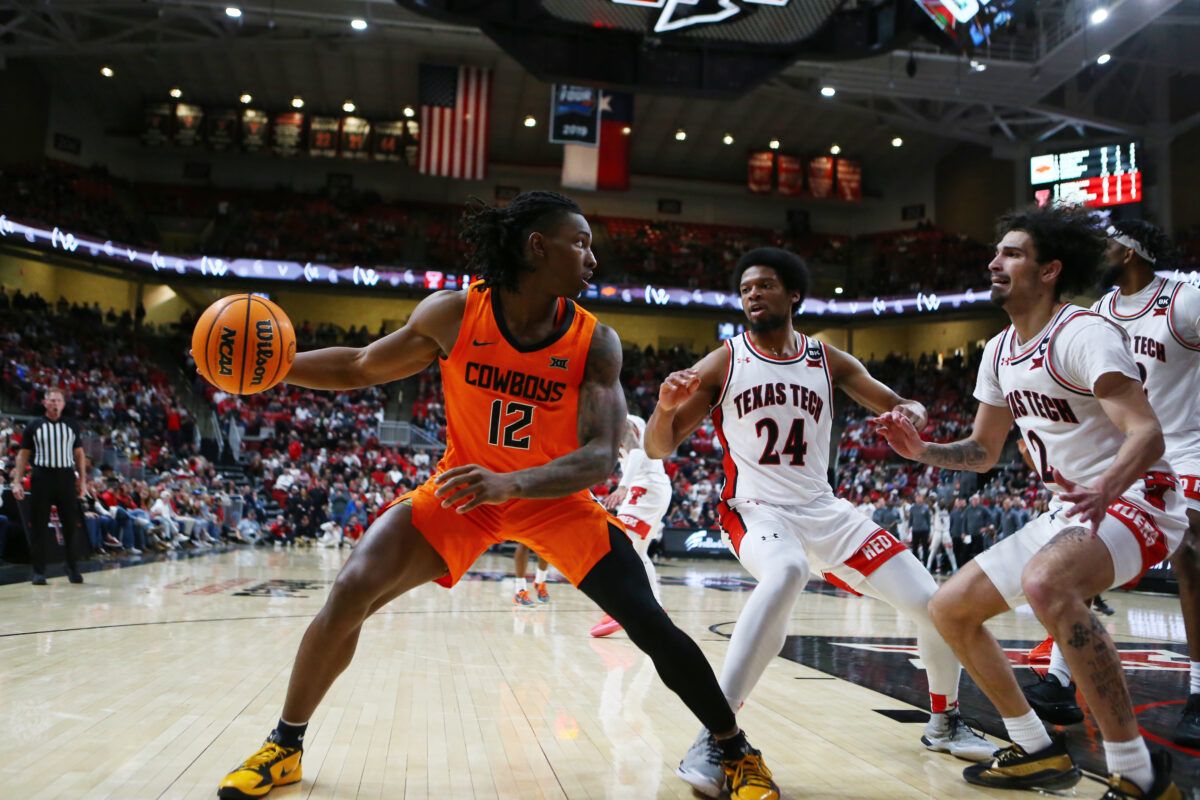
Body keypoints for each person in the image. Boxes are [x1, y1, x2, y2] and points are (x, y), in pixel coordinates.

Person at [217, 192, 779, 800]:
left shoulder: (596, 342)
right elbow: (358, 365)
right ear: (538, 246)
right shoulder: (455, 314)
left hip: (554, 500)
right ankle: (284, 746)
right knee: (353, 587)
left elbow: (598, 455)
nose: (593, 258)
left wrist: (510, 482)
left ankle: (735, 752)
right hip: (464, 489)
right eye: (581, 243)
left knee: (647, 621)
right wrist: (275, 366)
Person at [644, 247, 992, 799]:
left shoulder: (826, 359)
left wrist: (910, 416)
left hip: (825, 510)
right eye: (745, 289)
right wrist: (665, 409)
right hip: (755, 509)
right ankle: (716, 736)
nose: (752, 294)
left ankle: (944, 723)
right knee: (784, 573)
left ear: (794, 295)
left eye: (764, 285)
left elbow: (906, 404)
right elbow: (658, 446)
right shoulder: (725, 360)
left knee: (937, 606)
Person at [874, 204, 1188, 798]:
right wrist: (923, 451)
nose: (995, 262)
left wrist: (1103, 488)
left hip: (1139, 499)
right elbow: (984, 451)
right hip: (1070, 511)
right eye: (996, 253)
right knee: (950, 609)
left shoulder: (1083, 332)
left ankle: (1142, 774)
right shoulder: (998, 351)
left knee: (1047, 584)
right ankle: (1038, 748)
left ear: (1050, 271)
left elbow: (1147, 434)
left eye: (1012, 253)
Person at [1022, 219, 1200, 747]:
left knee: (1191, 550)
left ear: (1129, 250)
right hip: (1128, 455)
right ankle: (1059, 678)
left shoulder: (1184, 299)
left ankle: (1198, 690)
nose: (1097, 251)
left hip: (1188, 447)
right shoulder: (1096, 316)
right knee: (1080, 550)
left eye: (1106, 242)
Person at [592, 414, 673, 637]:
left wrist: (623, 486)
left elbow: (636, 452)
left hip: (644, 487)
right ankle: (656, 607)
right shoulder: (612, 422)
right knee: (638, 552)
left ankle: (621, 609)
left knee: (617, 547)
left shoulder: (621, 419)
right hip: (652, 487)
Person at [10, 387, 87, 585]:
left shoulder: (71, 425)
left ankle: (72, 568)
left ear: (63, 404)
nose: (55, 403)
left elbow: (79, 454)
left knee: (71, 525)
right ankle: (39, 571)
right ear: (45, 403)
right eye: (51, 400)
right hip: (42, 477)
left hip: (66, 477)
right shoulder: (34, 425)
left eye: (58, 400)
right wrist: (17, 480)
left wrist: (83, 481)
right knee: (38, 526)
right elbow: (23, 454)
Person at [906, 491, 933, 565]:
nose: (918, 499)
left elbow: (928, 521)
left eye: (920, 497)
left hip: (924, 530)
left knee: (925, 548)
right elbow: (911, 519)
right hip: (915, 530)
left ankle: (925, 564)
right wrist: (909, 528)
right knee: (915, 548)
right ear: (915, 498)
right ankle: (916, 563)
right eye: (917, 497)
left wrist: (929, 532)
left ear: (922, 498)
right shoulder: (912, 508)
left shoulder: (926, 508)